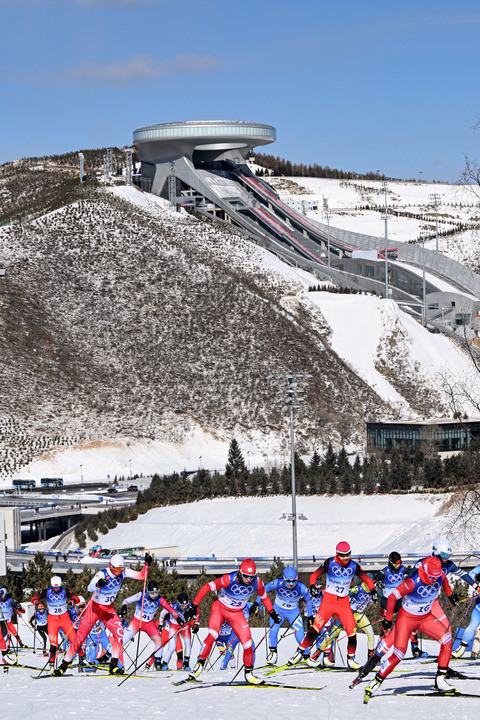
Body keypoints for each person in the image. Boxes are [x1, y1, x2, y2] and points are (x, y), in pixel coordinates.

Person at [364, 556, 458, 701]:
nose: (434, 579)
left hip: (425, 618)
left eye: (436, 576)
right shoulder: (413, 581)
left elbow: (446, 586)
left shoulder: (440, 576)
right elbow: (393, 597)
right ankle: (376, 681)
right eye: (431, 577)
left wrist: (452, 596)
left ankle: (440, 680)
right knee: (399, 654)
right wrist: (388, 620)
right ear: (425, 571)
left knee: (448, 641)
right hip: (406, 619)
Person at [53, 552, 151, 676]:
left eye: (120, 569)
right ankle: (63, 665)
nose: (118, 572)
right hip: (94, 609)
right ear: (111, 566)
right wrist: (98, 584)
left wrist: (147, 564)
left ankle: (114, 665)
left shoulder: (124, 572)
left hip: (108, 610)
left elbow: (142, 576)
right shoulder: (103, 574)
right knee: (79, 639)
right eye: (116, 569)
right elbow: (90, 587)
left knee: (119, 633)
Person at [185, 558, 281, 685]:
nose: (248, 579)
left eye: (251, 576)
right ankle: (199, 665)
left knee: (247, 643)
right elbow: (207, 587)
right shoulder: (228, 579)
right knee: (213, 635)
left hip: (237, 613)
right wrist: (193, 606)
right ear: (240, 572)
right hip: (219, 609)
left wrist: (272, 613)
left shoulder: (257, 582)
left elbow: (264, 597)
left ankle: (249, 674)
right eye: (246, 576)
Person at [287, 541, 376, 670]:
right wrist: (312, 586)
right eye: (342, 555)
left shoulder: (354, 566)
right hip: (328, 602)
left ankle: (351, 660)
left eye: (348, 554)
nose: (345, 558)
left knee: (352, 633)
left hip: (344, 603)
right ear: (337, 554)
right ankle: (299, 652)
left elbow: (367, 579)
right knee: (315, 629)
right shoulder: (330, 563)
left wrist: (373, 591)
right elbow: (314, 575)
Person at [250, 566, 312, 666]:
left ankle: (307, 656)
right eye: (288, 581)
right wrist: (257, 603)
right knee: (274, 630)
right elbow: (263, 589)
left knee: (300, 635)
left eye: (293, 581)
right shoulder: (277, 583)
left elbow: (308, 599)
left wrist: (309, 616)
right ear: (283, 579)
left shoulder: (301, 587)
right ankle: (273, 654)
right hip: (278, 611)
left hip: (294, 613)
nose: (291, 584)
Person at [310, 579, 376, 667]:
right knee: (332, 635)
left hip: (359, 614)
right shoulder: (357, 589)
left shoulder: (373, 591)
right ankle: (315, 655)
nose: (372, 588)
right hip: (346, 613)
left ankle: (370, 659)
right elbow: (345, 597)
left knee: (370, 633)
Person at [121, 581, 184, 670]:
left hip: (149, 624)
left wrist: (178, 618)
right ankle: (111, 659)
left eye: (157, 592)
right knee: (122, 641)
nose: (155, 595)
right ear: (147, 591)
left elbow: (170, 609)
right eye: (152, 593)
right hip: (136, 622)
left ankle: (157, 662)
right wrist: (124, 606)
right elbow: (126, 600)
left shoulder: (159, 599)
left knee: (159, 642)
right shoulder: (141, 595)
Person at [31, 576, 82, 668]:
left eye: (58, 587)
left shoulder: (65, 590)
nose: (57, 590)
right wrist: (35, 600)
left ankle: (83, 657)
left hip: (65, 619)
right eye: (54, 588)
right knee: (53, 644)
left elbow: (76, 598)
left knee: (75, 640)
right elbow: (37, 597)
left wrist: (73, 601)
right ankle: (51, 663)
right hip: (52, 620)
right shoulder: (47, 591)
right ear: (51, 586)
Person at [159, 592, 198, 671]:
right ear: (178, 602)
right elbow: (162, 613)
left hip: (185, 626)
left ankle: (186, 664)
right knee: (172, 647)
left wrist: (196, 624)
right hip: (173, 626)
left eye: (186, 605)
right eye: (182, 605)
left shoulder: (190, 606)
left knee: (188, 644)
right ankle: (164, 663)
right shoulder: (172, 606)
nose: (184, 607)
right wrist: (160, 624)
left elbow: (197, 612)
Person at [452, 561, 480, 658]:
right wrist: (477, 578)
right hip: (479, 606)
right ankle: (461, 649)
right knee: (472, 626)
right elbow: (470, 574)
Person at [0, 587, 25, 663]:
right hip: (1, 622)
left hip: (7, 622)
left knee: (9, 636)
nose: (3, 596)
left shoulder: (10, 600)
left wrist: (19, 609)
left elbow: (22, 610)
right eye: (1, 595)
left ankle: (7, 655)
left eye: (4, 595)